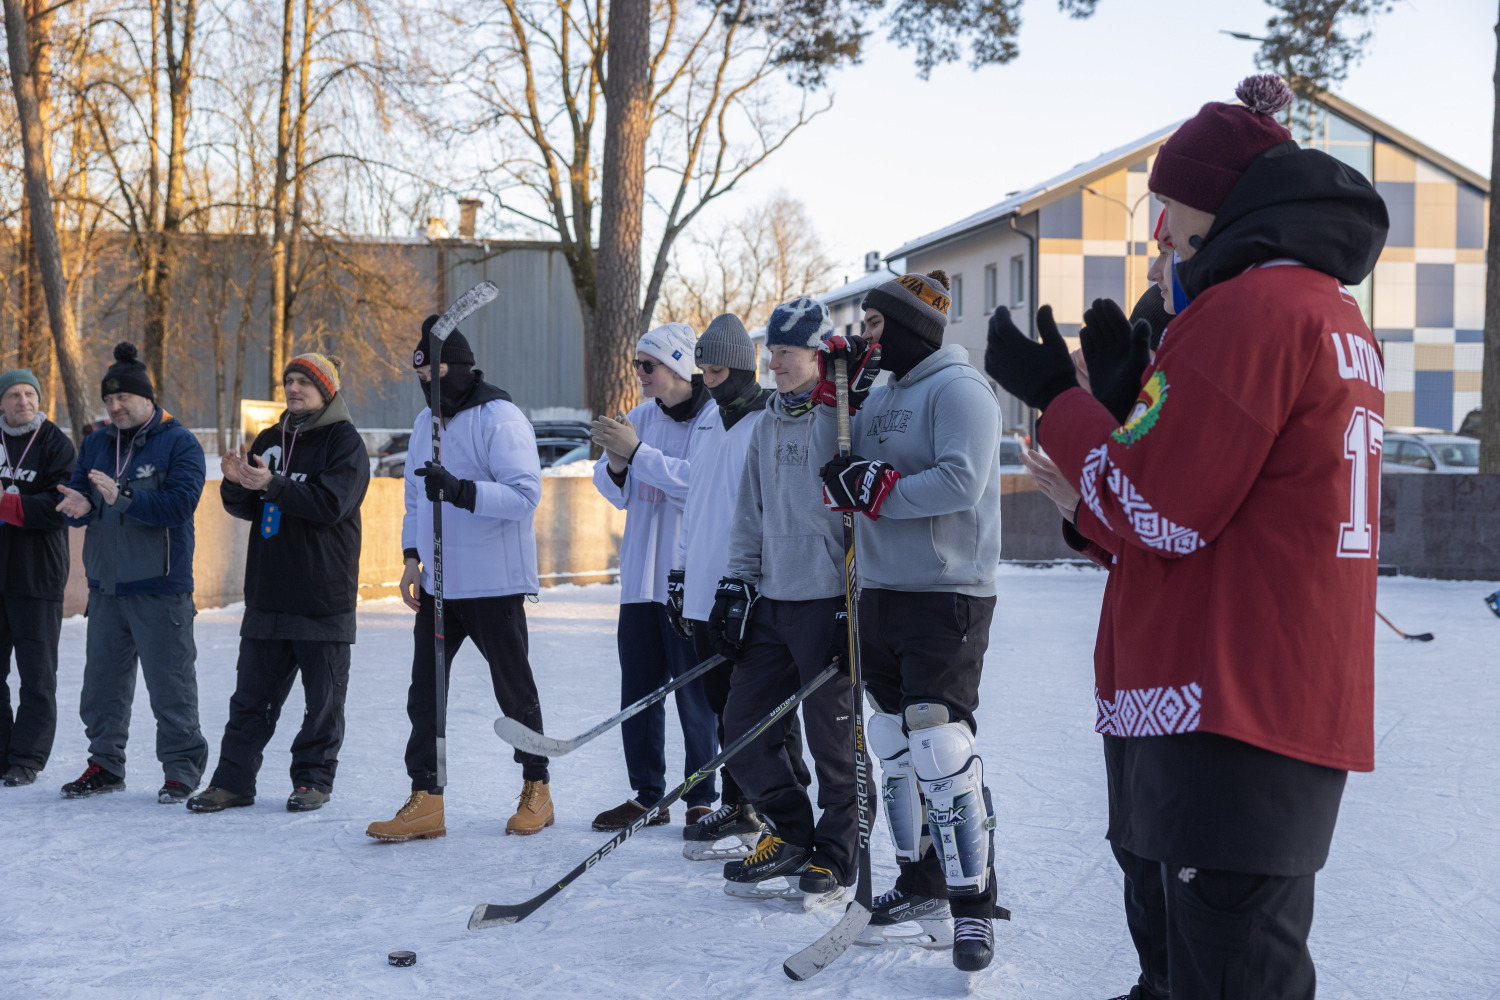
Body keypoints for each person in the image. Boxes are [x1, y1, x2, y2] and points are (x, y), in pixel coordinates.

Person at [985, 74, 1388, 1000]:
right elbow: (1210, 509)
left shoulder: (1252, 310)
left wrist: (1065, 404)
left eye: (1165, 210)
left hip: (1232, 706)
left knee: (1228, 971)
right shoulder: (1323, 312)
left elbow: (1161, 507)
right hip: (1232, 693)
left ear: (1213, 205)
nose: (1159, 236)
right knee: (1186, 966)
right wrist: (1128, 417)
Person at [815, 269, 1005, 971]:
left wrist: (878, 489)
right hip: (883, 588)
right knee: (893, 741)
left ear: (910, 328)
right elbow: (844, 471)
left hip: (947, 590)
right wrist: (828, 400)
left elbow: (963, 479)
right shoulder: (881, 393)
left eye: (874, 324)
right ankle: (920, 883)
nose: (866, 335)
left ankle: (973, 905)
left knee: (938, 742)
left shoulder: (961, 391)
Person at [367, 318, 551, 841]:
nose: (428, 388)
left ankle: (537, 786)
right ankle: (427, 797)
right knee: (425, 693)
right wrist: (410, 557)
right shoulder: (427, 421)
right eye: (421, 378)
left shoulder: (500, 417)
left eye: (436, 376)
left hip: (493, 582)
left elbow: (524, 496)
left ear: (459, 370)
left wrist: (463, 490)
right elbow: (412, 498)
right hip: (440, 585)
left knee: (514, 690)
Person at [710, 296, 861, 902]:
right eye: (771, 353)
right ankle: (792, 831)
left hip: (827, 601)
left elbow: (866, 515)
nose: (776, 364)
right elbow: (749, 514)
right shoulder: (766, 423)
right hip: (773, 600)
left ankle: (837, 852)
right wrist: (737, 584)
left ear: (819, 354)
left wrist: (855, 597)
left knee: (833, 742)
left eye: (788, 354)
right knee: (740, 726)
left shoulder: (842, 418)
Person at [188, 354, 369, 814]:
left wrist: (273, 484)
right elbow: (249, 505)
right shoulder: (270, 437)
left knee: (322, 703)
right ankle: (232, 782)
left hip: (321, 595)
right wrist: (235, 484)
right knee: (249, 699)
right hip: (268, 593)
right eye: (288, 381)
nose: (293, 388)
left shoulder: (343, 441)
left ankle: (312, 780)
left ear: (327, 389)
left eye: (304, 382)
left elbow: (331, 504)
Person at [670, 313, 812, 858]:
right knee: (720, 702)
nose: (706, 378)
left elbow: (769, 512)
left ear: (740, 366)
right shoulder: (707, 421)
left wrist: (750, 581)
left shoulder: (766, 421)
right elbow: (697, 504)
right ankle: (741, 802)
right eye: (701, 369)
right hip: (705, 588)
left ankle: (784, 814)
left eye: (715, 368)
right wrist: (680, 574)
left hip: (750, 592)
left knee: (764, 709)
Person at [54, 342, 208, 802]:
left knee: (172, 689)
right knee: (101, 690)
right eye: (108, 400)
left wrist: (123, 498)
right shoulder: (97, 443)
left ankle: (181, 770)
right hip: (106, 588)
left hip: (161, 589)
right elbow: (81, 496)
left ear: (147, 397)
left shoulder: (179, 442)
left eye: (123, 398)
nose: (115, 406)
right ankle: (104, 764)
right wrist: (78, 508)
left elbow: (179, 505)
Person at [590, 322, 718, 833]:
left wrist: (638, 455)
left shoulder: (713, 420)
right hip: (640, 582)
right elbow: (613, 488)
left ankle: (702, 795)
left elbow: (700, 488)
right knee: (639, 693)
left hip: (689, 582)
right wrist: (618, 463)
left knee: (696, 694)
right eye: (636, 365)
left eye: (649, 365)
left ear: (681, 366)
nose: (638, 374)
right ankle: (648, 793)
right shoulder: (640, 416)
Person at [0, 368, 76, 787]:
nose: (23, 401)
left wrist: (7, 505)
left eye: (29, 393)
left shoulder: (54, 443)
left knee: (37, 676)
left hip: (37, 577)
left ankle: (26, 758)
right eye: (13, 394)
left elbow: (59, 506)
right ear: (1, 403)